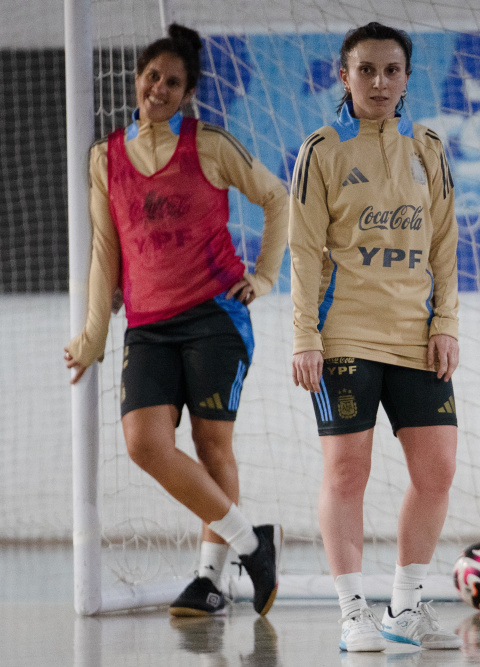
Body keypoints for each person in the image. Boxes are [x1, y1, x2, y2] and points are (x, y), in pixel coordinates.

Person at [64, 24, 287, 617]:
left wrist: (264, 277)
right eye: (152, 77)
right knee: (144, 444)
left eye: (173, 82)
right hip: (148, 326)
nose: (158, 88)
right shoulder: (103, 157)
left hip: (215, 315)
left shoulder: (209, 144)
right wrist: (92, 337)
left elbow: (276, 197)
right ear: (138, 78)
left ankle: (210, 581)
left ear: (188, 93)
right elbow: (104, 251)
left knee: (213, 448)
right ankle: (251, 543)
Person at [288, 22, 461, 653]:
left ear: (407, 77)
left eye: (392, 70)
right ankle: (352, 610)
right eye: (366, 70)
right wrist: (305, 336)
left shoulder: (429, 146)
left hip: (416, 336)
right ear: (345, 76)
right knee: (346, 475)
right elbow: (304, 251)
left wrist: (445, 323)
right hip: (344, 337)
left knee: (438, 468)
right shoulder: (322, 149)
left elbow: (445, 242)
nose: (380, 82)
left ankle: (406, 608)